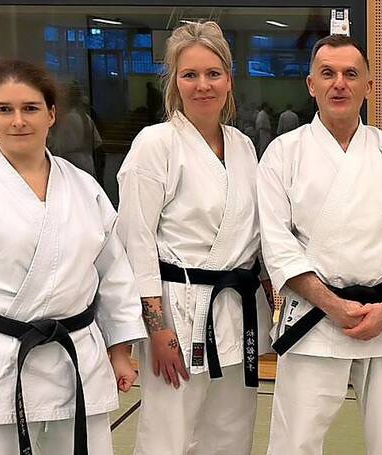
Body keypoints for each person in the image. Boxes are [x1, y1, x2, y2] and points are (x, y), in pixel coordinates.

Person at [0, 59, 147, 455]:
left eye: (30, 108)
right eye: (4, 109)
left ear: (51, 115)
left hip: (75, 357)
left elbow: (114, 274)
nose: (18, 121)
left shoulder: (84, 188)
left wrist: (120, 351)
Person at [257, 34, 382, 455]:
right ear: (311, 84)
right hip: (314, 321)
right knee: (295, 443)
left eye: (351, 74)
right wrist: (335, 306)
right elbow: (278, 246)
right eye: (328, 73)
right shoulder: (283, 153)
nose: (339, 84)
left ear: (368, 86)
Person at [116, 21, 273, 455]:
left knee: (232, 430)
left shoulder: (243, 145)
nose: (203, 85)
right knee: (169, 434)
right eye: (190, 75)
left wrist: (270, 299)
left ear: (229, 80)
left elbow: (255, 234)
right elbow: (135, 241)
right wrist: (157, 329)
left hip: (236, 308)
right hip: (178, 310)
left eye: (213, 73)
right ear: (175, 83)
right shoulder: (155, 144)